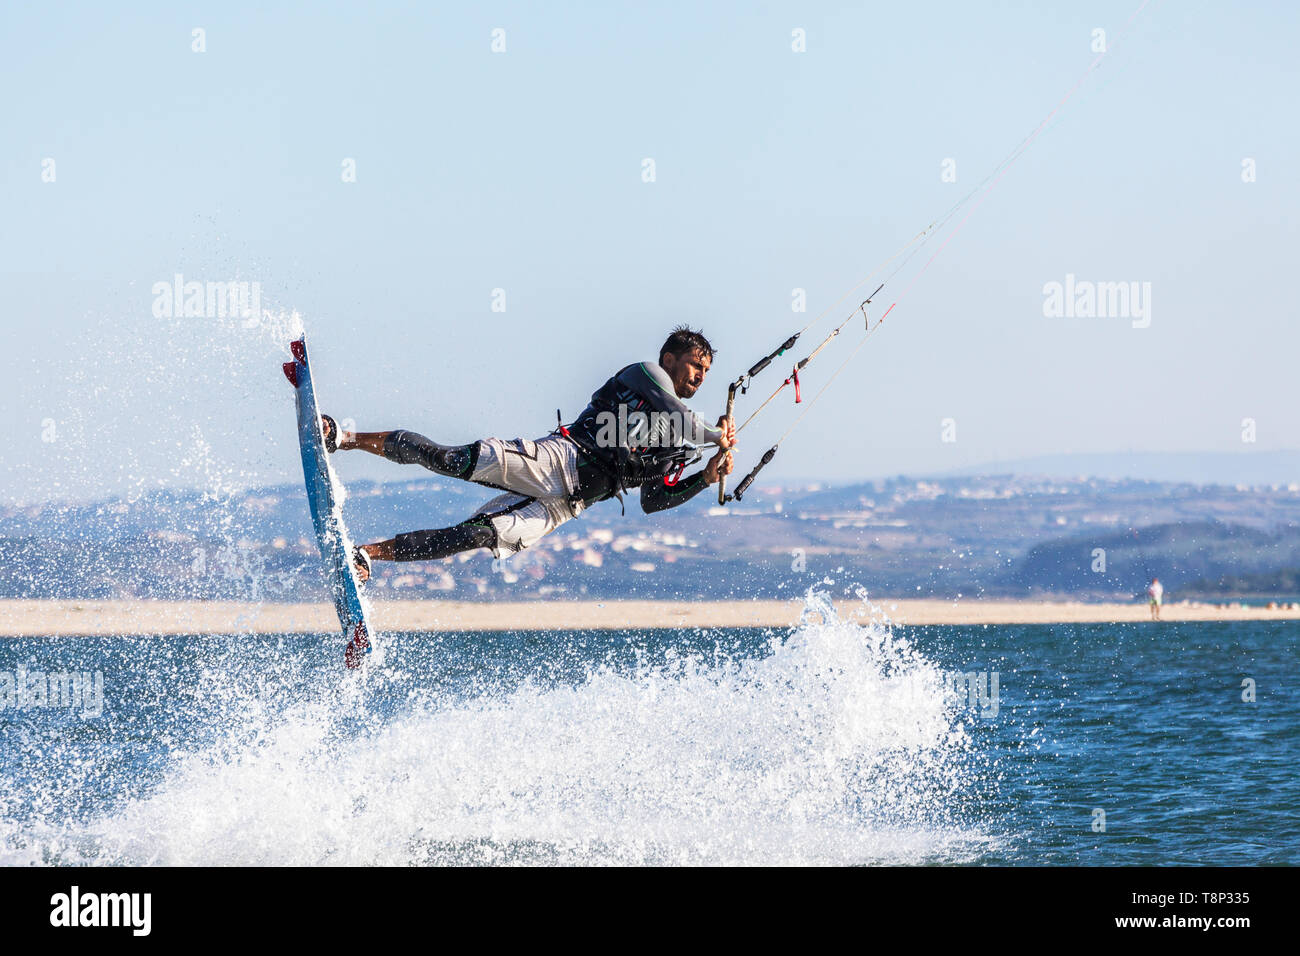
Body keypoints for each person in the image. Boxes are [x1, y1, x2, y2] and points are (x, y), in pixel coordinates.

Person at [324, 326, 736, 582]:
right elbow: (675, 413)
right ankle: (343, 437)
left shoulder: (675, 441)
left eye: (705, 373)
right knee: (450, 460)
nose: (699, 377)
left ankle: (366, 553)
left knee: (474, 536)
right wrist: (716, 435)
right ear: (670, 360)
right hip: (558, 459)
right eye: (695, 366)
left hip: (566, 506)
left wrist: (704, 478)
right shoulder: (644, 373)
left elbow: (653, 500)